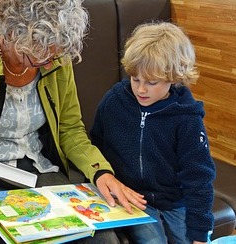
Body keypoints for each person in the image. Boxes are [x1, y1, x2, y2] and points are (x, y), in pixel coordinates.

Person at [0, 0, 146, 243]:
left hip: (42, 171)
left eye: (54, 53)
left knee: (103, 239)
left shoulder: (55, 59)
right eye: (40, 54)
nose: (49, 63)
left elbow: (70, 129)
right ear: (13, 33)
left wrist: (100, 172)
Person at [90, 22, 216, 244]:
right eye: (135, 79)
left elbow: (199, 177)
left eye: (151, 82)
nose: (140, 89)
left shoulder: (187, 117)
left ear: (174, 77)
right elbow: (95, 144)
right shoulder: (114, 101)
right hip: (134, 199)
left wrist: (200, 233)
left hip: (175, 202)